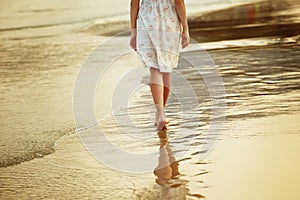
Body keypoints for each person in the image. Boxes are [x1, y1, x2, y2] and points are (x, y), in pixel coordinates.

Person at [130, 0, 190, 130]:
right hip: (169, 22)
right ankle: (161, 112)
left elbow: (134, 3)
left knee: (155, 69)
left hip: (148, 21)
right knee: (166, 69)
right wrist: (185, 29)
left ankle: (160, 112)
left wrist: (133, 31)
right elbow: (179, 2)